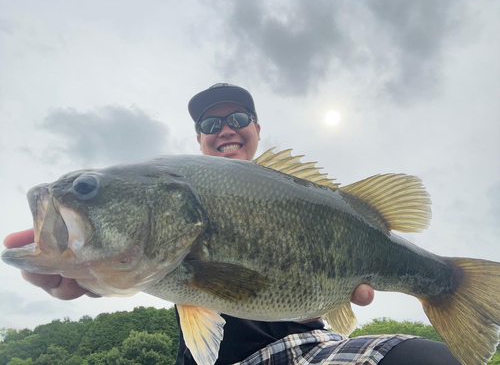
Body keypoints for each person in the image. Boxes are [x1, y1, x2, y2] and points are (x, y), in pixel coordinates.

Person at [4, 83, 460, 364]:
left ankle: (453, 284)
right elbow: (130, 273)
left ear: (257, 130)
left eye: (238, 119)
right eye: (210, 123)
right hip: (225, 359)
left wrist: (332, 293)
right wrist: (90, 279)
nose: (225, 128)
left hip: (311, 349)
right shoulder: (172, 220)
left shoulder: (306, 197)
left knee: (427, 360)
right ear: (199, 140)